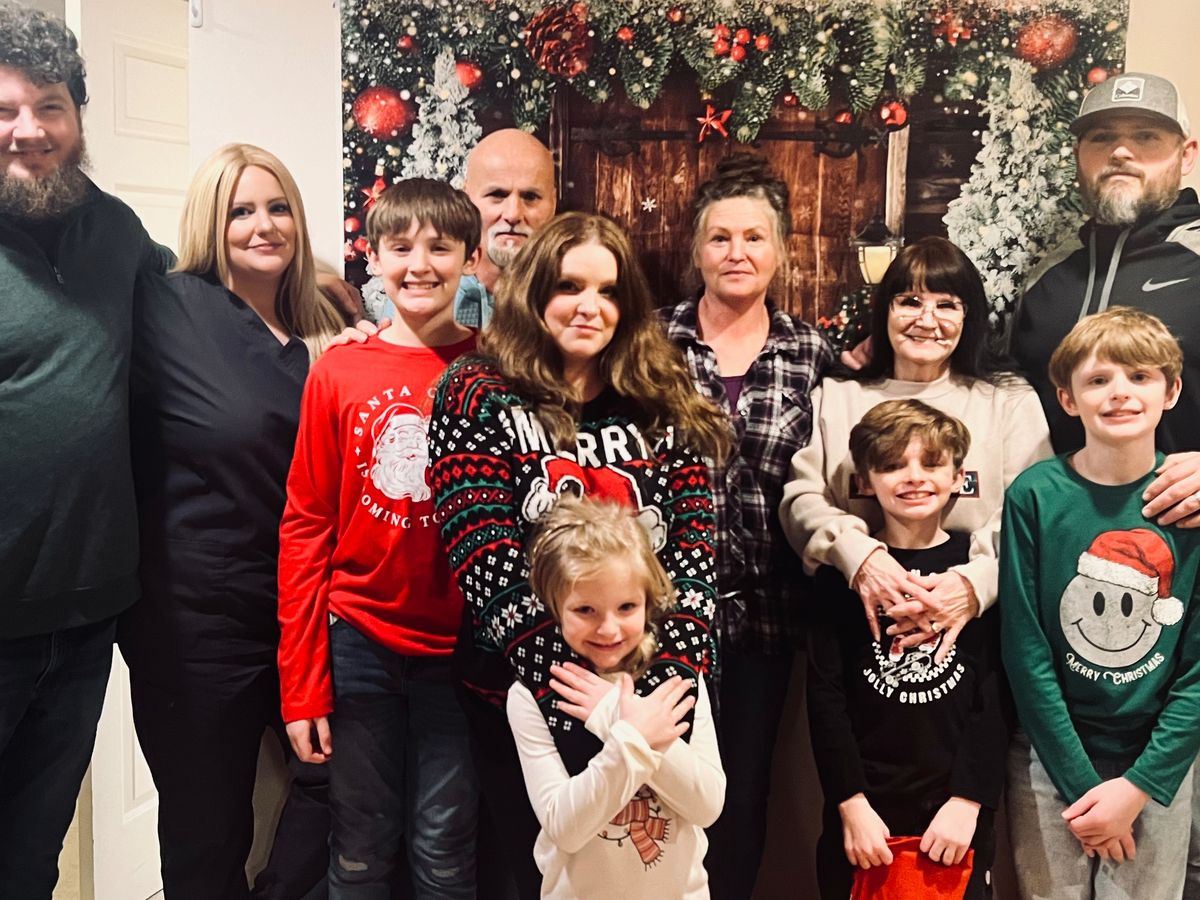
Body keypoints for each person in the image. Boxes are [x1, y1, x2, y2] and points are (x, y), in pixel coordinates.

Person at [428, 211, 731, 900]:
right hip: (526, 698)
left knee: (657, 873)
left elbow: (693, 559)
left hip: (656, 690)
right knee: (546, 876)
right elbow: (487, 560)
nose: (589, 306)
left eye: (609, 290)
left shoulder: (661, 397)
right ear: (536, 290)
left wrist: (658, 698)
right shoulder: (476, 392)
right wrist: (592, 703)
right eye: (569, 286)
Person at [119, 143, 346, 900]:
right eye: (239, 211)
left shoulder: (326, 325)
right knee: (207, 833)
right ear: (209, 224)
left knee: (345, 782)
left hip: (304, 616)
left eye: (278, 207)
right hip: (195, 628)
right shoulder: (164, 307)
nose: (263, 225)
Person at [0, 7, 175, 896]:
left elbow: (197, 297)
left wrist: (325, 309)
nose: (28, 130)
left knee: (32, 855)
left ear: (78, 116)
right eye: (5, 110)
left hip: (86, 615)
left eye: (50, 107)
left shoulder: (118, 232)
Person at [278, 177, 481, 898]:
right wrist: (301, 686)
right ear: (374, 257)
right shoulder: (339, 369)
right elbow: (307, 525)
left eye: (440, 248)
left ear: (470, 259)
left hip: (459, 650)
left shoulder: (494, 369)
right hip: (357, 641)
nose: (419, 265)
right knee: (359, 848)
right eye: (400, 247)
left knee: (446, 850)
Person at [662, 154, 831, 900]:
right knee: (662, 785)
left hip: (766, 618)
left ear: (781, 251)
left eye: (755, 237)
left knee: (742, 789)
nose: (737, 253)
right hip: (660, 614)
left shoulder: (813, 353)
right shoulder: (649, 342)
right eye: (720, 237)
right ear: (697, 250)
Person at [1001, 307, 1200, 899]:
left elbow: (1197, 668)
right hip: (1049, 759)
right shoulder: (1034, 496)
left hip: (1158, 762)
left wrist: (1137, 788)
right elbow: (1026, 652)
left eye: (1140, 376)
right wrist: (1082, 785)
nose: (1119, 392)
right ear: (1067, 399)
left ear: (1172, 391)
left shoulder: (1189, 505)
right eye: (1097, 379)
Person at [780, 236, 1052, 659]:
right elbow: (803, 499)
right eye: (909, 301)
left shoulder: (1008, 399)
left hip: (979, 630)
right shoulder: (838, 395)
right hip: (853, 625)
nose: (927, 320)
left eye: (947, 305)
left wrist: (973, 584)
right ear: (884, 311)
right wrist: (859, 556)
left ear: (969, 317)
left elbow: (1032, 511)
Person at [807, 399, 1009, 900]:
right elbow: (825, 699)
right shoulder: (840, 578)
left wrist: (970, 800)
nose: (914, 477)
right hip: (862, 815)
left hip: (956, 813)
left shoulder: (979, 576)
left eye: (932, 463)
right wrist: (850, 803)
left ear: (958, 478)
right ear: (864, 481)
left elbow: (997, 695)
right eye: (893, 465)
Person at [1009, 72, 1200, 531]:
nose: (1120, 152)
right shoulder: (1046, 274)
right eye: (1102, 137)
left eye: (1146, 136)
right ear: (1079, 154)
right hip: (1053, 536)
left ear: (1187, 154)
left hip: (1182, 539)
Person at [508, 496, 725, 900]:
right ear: (555, 607)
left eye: (626, 607)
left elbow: (707, 805)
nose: (608, 629)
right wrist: (633, 736)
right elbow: (565, 828)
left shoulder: (679, 676)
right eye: (585, 610)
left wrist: (611, 712)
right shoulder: (531, 695)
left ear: (648, 601)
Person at [374, 128, 557, 328]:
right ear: (467, 199)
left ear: (553, 203)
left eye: (530, 197)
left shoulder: (570, 295)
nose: (513, 214)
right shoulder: (424, 288)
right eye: (497, 195)